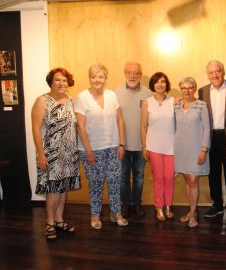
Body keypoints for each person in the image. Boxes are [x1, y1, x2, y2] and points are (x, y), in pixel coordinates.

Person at [75, 63, 128, 229]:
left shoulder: (112, 95)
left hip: (113, 146)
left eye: (100, 76)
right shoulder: (82, 97)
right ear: (89, 78)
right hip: (91, 149)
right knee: (96, 183)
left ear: (105, 78)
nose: (97, 80)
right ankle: (95, 214)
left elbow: (120, 120)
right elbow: (80, 126)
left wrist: (121, 144)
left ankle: (116, 212)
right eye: (93, 77)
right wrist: (89, 151)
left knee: (114, 181)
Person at [31, 67, 81, 241]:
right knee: (53, 189)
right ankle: (50, 222)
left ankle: (60, 220)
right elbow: (36, 130)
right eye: (58, 80)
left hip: (68, 154)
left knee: (63, 187)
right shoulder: (42, 101)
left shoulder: (70, 101)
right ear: (51, 82)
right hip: (50, 153)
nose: (61, 83)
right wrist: (41, 154)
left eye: (64, 80)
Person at [198, 60, 226, 221]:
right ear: (207, 75)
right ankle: (217, 205)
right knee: (213, 172)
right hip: (210, 137)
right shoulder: (202, 91)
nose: (215, 75)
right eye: (211, 72)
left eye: (218, 71)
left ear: (223, 71)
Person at [114, 62, 152, 217]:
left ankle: (136, 203)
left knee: (139, 177)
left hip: (141, 145)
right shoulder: (115, 92)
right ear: (124, 73)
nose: (132, 76)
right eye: (129, 72)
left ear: (140, 75)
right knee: (122, 177)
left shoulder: (148, 93)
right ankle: (125, 203)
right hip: (121, 144)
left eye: (136, 73)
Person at [174, 77, 210, 228]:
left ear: (195, 89)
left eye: (190, 88)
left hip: (197, 149)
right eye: (183, 88)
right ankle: (191, 210)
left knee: (194, 181)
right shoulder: (176, 106)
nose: (186, 91)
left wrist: (204, 150)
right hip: (181, 149)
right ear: (180, 89)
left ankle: (193, 214)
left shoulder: (201, 105)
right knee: (187, 181)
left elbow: (207, 129)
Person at [141, 72, 175, 222]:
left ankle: (168, 205)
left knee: (169, 177)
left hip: (171, 146)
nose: (160, 84)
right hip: (153, 145)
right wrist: (144, 146)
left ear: (166, 84)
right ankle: (159, 207)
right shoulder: (146, 102)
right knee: (158, 177)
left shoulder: (174, 101)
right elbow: (143, 126)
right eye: (157, 82)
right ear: (152, 85)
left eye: (163, 81)